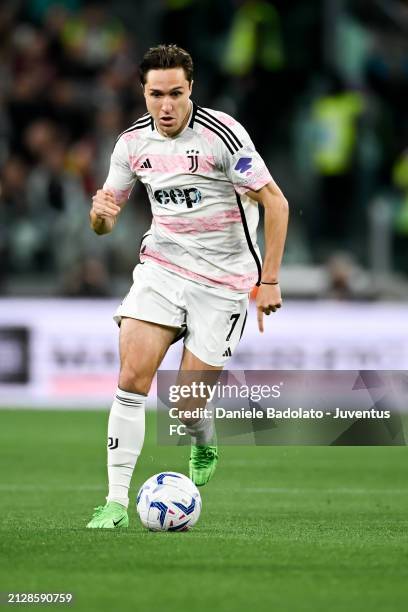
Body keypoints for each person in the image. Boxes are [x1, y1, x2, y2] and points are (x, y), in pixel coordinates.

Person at [86, 44, 288, 528]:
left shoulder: (222, 137)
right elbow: (103, 221)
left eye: (176, 93)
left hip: (223, 282)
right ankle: (114, 502)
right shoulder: (132, 144)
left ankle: (203, 436)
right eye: (156, 94)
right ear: (143, 92)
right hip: (161, 267)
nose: (167, 106)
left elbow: (276, 204)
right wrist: (99, 216)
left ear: (190, 88)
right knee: (132, 380)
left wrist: (270, 281)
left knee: (185, 403)